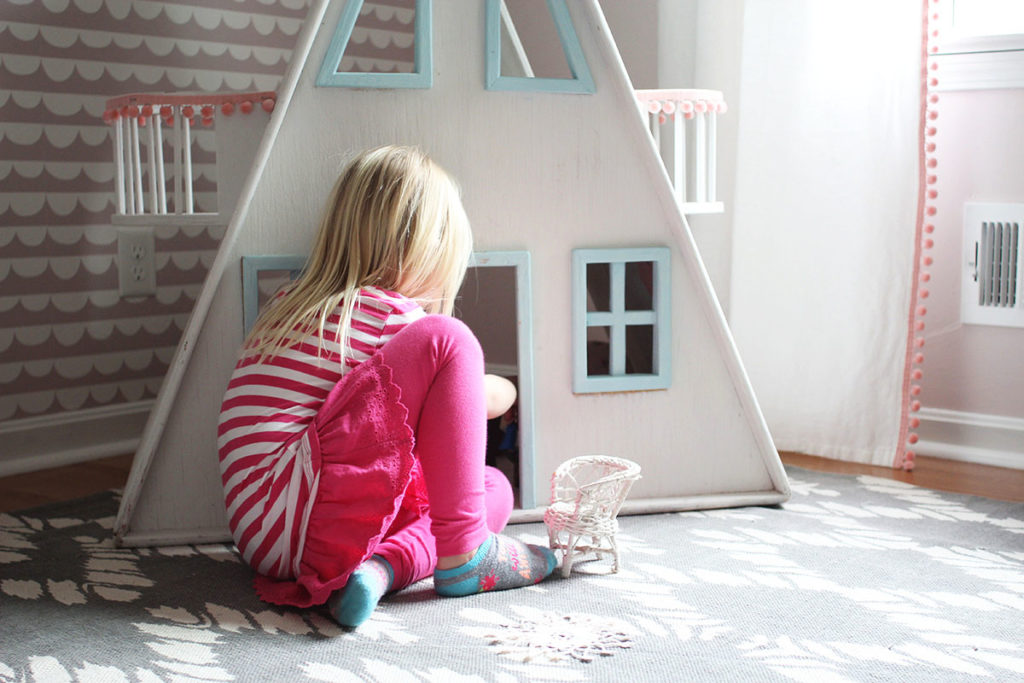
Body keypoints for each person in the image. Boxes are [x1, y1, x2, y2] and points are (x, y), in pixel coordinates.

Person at [217, 145, 557, 629]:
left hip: (267, 539)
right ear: (426, 251)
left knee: (491, 488)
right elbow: (476, 399)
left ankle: (379, 571)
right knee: (451, 339)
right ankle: (465, 554)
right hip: (306, 513)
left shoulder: (290, 305)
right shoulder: (384, 313)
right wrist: (508, 388)